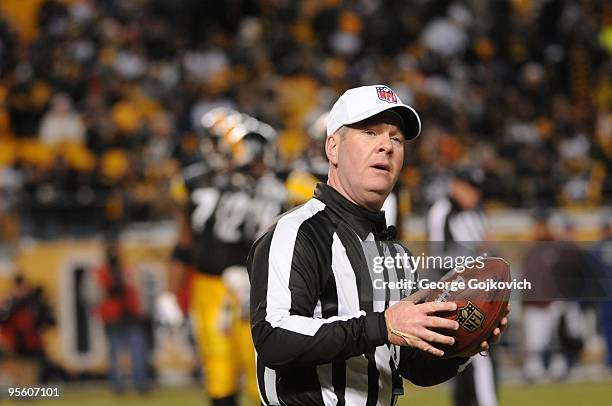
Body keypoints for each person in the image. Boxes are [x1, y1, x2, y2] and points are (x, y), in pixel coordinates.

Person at [248, 85, 509, 405]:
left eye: (396, 138)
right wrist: (382, 326)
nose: (386, 145)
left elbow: (413, 368)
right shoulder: (297, 233)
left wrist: (463, 345)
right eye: (370, 133)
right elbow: (273, 337)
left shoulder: (395, 254)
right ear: (333, 148)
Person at [162, 111, 286, 406]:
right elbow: (184, 243)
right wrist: (170, 293)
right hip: (210, 287)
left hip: (259, 287)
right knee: (218, 372)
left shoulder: (279, 183)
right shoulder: (192, 182)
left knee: (265, 372)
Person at [427, 169, 498, 406]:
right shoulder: (442, 211)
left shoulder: (475, 212)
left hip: (477, 291)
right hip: (455, 293)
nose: (475, 194)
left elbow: (487, 248)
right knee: (476, 354)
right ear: (456, 185)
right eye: (469, 187)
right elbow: (440, 258)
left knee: (475, 354)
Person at [94, 237, 150, 394]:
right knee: (115, 353)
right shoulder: (103, 271)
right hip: (113, 318)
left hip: (130, 316)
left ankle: (141, 383)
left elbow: (136, 289)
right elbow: (97, 294)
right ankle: (118, 385)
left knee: (138, 350)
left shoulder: (127, 269)